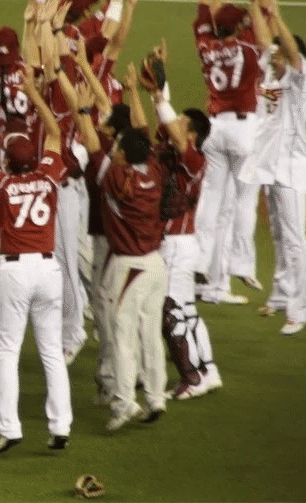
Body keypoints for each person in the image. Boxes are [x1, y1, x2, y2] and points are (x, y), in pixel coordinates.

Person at [0, 59, 73, 454]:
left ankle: (10, 429)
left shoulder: (1, 183)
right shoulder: (48, 176)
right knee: (51, 350)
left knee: (8, 350)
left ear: (8, 161)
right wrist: (33, 94)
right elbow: (57, 131)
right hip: (49, 270)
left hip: (15, 271)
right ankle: (60, 425)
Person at [74, 85, 168, 431]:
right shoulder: (154, 171)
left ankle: (125, 402)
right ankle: (156, 396)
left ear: (125, 156)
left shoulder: (114, 177)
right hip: (157, 265)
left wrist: (84, 114)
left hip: (129, 267)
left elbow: (95, 147)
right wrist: (139, 97)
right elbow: (143, 135)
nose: (113, 149)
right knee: (151, 334)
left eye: (118, 148)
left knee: (122, 335)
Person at [138, 47, 222, 399]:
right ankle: (208, 370)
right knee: (186, 311)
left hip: (175, 245)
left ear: (192, 135)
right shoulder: (179, 152)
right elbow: (161, 127)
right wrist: (161, 79)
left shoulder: (194, 159)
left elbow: (171, 129)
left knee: (171, 314)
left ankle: (191, 377)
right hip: (182, 244)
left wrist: (159, 93)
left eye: (182, 126)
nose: (175, 128)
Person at [192, 0, 269, 305]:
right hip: (243, 131)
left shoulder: (206, 45)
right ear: (238, 28)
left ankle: (206, 271)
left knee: (212, 202)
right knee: (244, 199)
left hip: (214, 130)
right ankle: (241, 263)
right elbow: (263, 24)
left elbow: (203, 12)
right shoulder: (249, 47)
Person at [247, 0, 306, 335]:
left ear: (293, 60)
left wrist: (275, 13)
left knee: (294, 236)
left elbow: (283, 43)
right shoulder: (272, 71)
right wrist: (254, 1)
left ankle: (300, 308)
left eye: (278, 54)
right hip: (269, 164)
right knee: (276, 231)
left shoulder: (301, 80)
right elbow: (264, 37)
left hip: (291, 167)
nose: (271, 55)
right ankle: (280, 294)